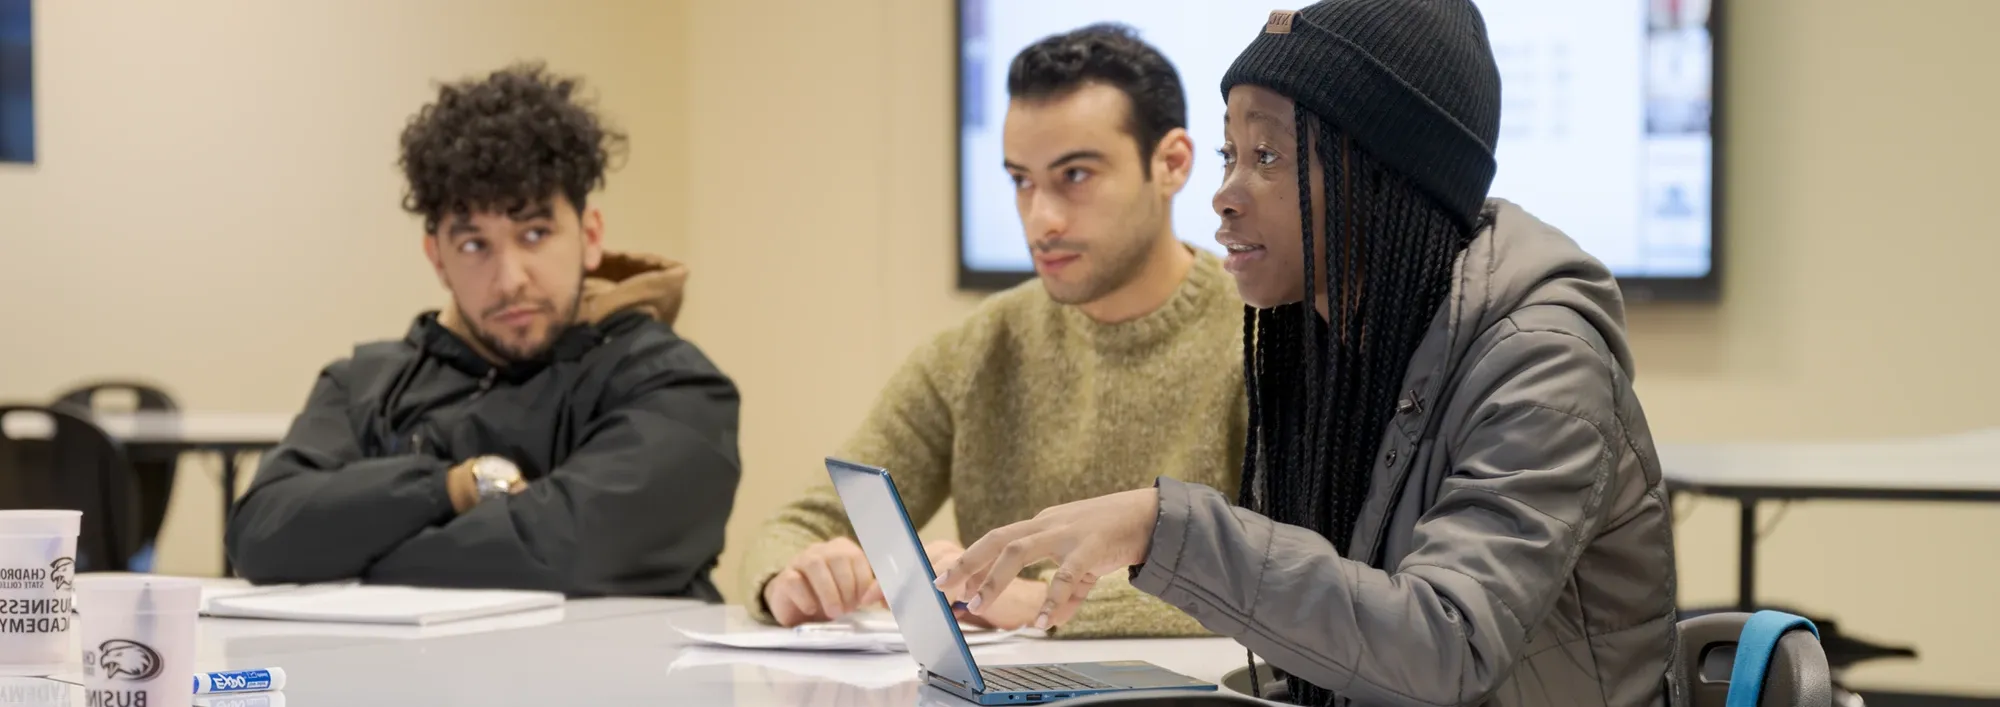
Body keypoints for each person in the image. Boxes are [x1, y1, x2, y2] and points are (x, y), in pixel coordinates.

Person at [934, 3, 1678, 706]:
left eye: (1267, 155)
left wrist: (1164, 526)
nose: (1225, 193)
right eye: (1231, 153)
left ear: (1384, 180)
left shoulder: (1544, 365)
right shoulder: (1325, 343)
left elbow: (1446, 644)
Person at [742, 24, 1246, 637]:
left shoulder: (1261, 339)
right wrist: (792, 576)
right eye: (1021, 181)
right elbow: (802, 523)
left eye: (1076, 176)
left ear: (1171, 164)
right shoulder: (977, 348)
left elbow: (1288, 583)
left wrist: (1038, 604)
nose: (1042, 219)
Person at [225, 63, 742, 600]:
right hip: (397, 682)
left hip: (608, 682)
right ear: (438, 259)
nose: (510, 279)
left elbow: (564, 554)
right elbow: (262, 537)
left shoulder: (672, 385)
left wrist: (349, 560)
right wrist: (453, 486)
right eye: (475, 246)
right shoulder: (363, 385)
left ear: (590, 237)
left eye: (536, 233)